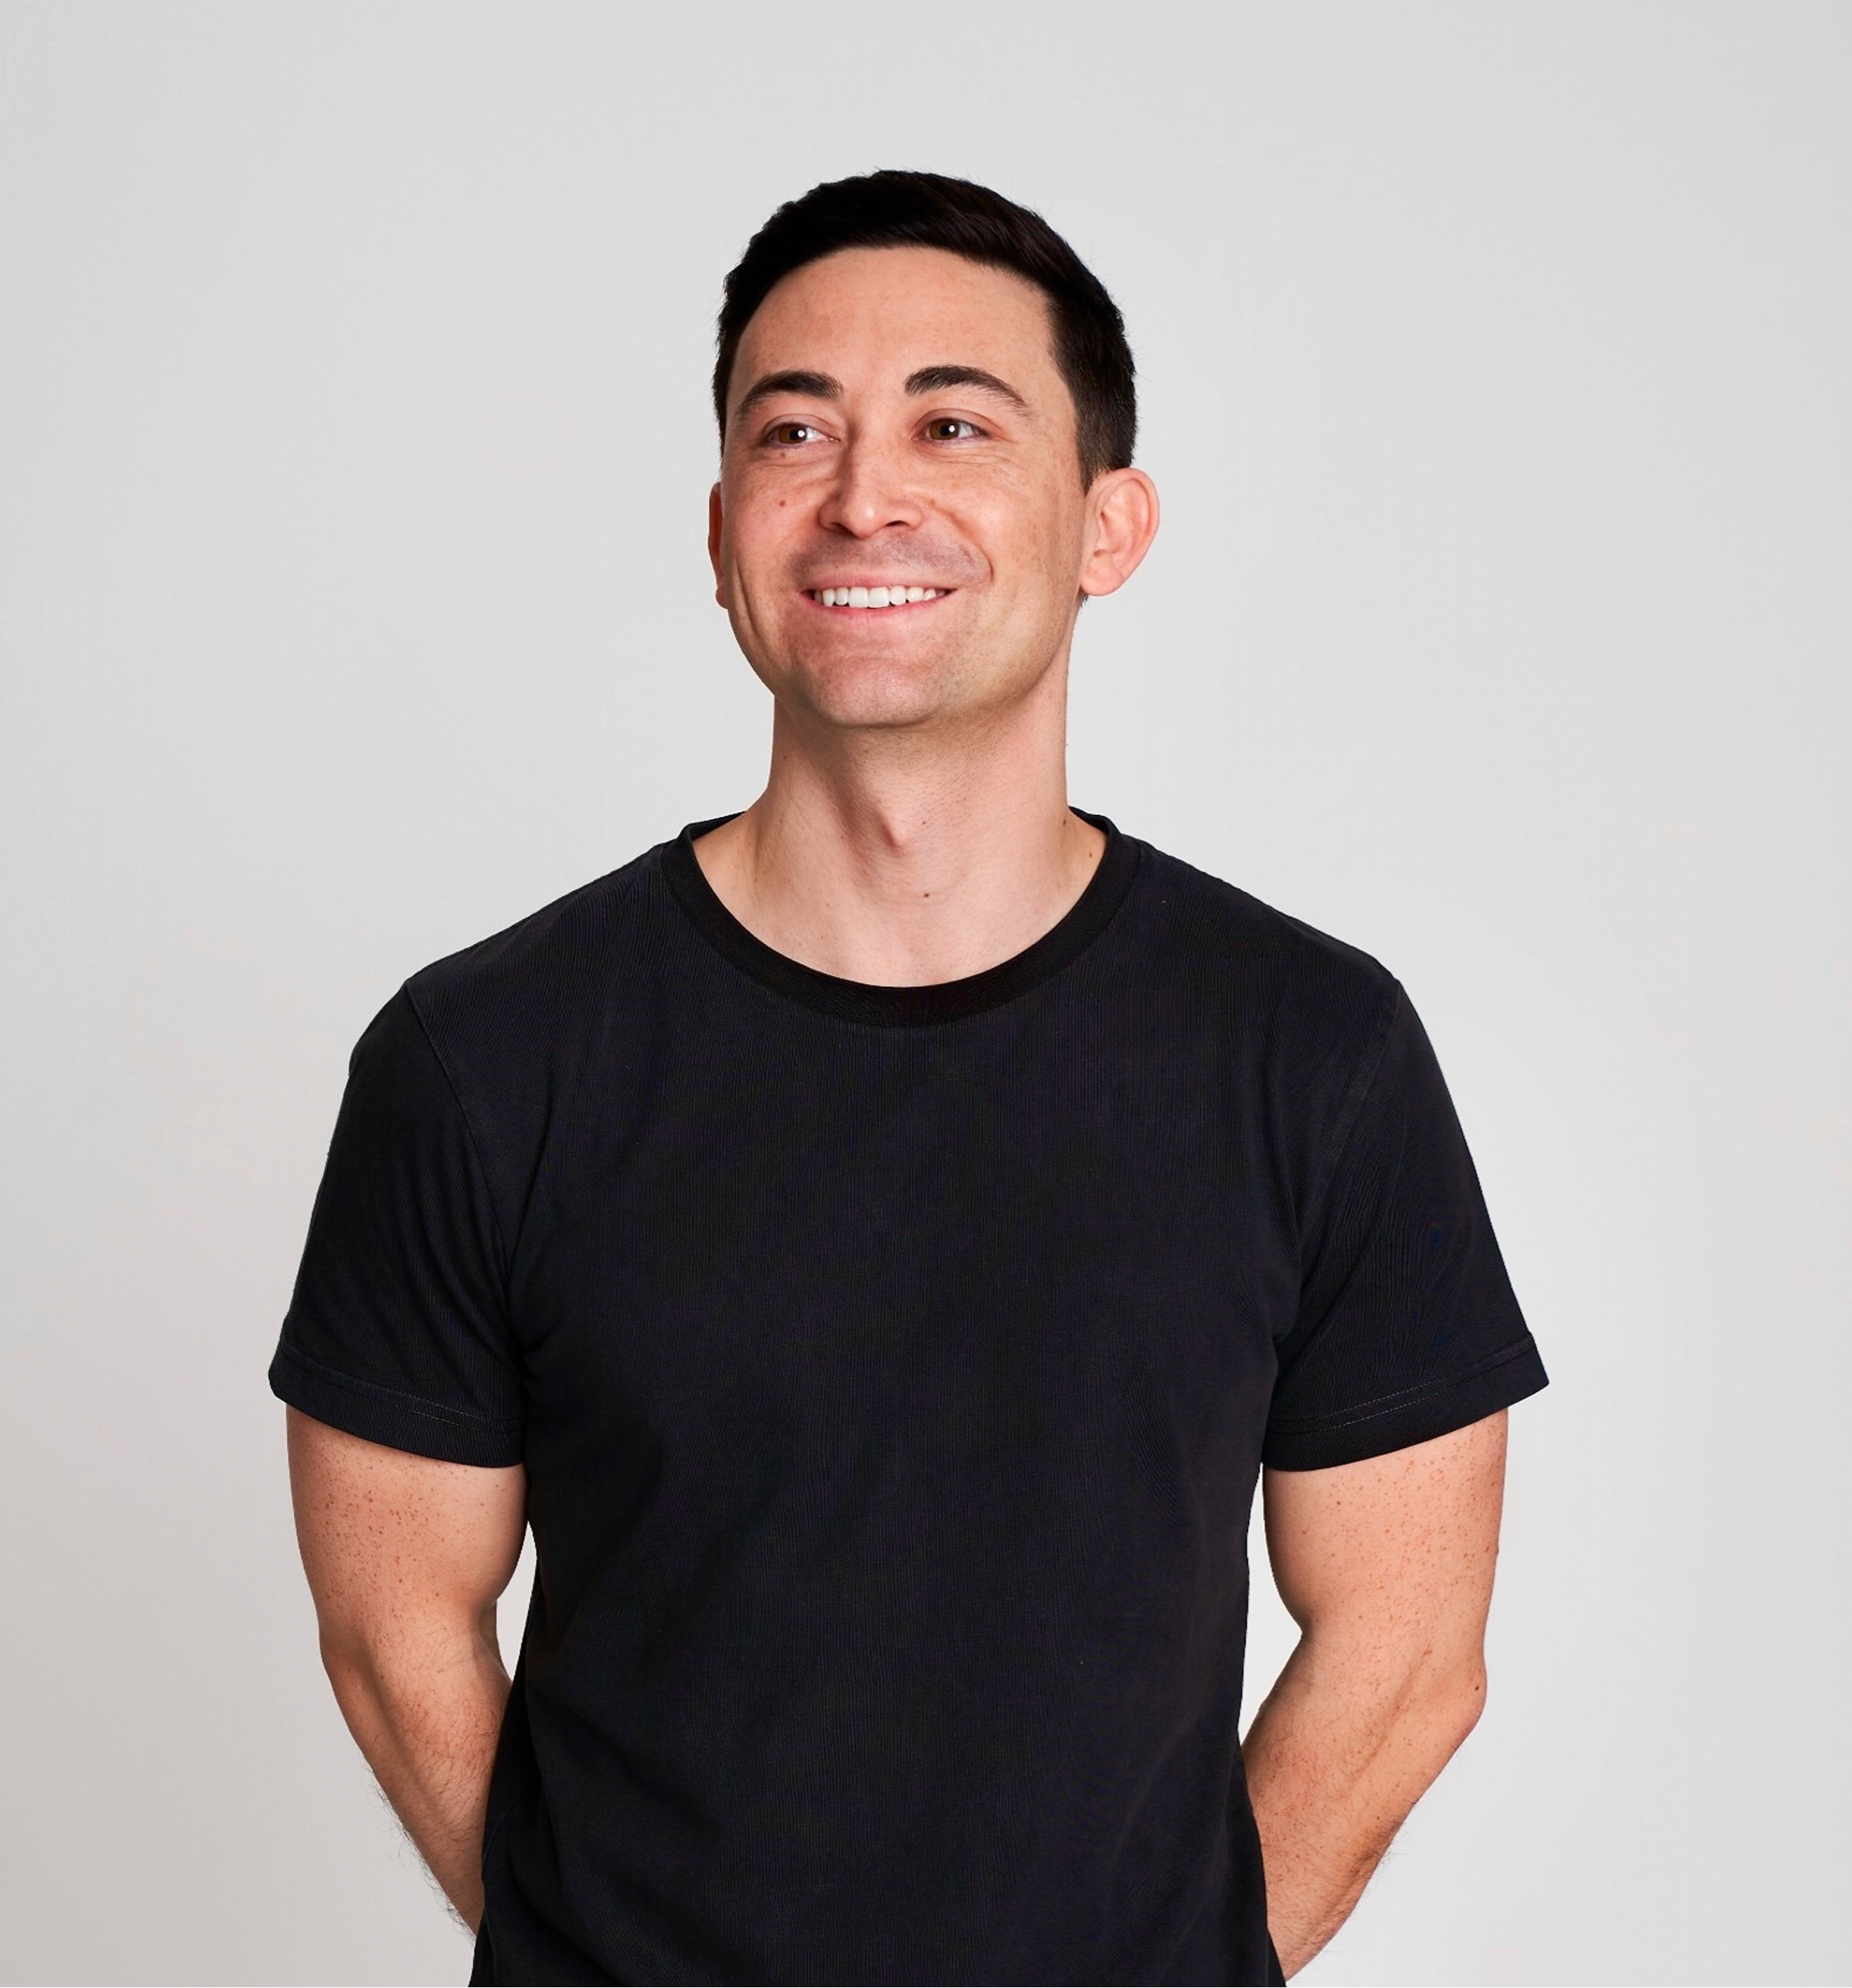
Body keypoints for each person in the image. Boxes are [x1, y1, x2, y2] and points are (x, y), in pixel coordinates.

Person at [273, 170, 1548, 1987]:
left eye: (954, 422)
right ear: (723, 530)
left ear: (1109, 525)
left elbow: (1409, 1653)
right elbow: (397, 1634)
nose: (864, 492)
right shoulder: (480, 1062)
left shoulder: (1312, 1053)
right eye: (796, 430)